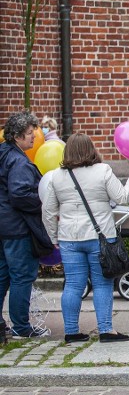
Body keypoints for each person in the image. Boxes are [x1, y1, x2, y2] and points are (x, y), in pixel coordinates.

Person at [42, 133, 129, 343]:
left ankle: (72, 332)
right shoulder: (103, 171)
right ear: (91, 149)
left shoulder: (56, 176)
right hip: (100, 238)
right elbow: (123, 198)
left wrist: (54, 237)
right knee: (102, 284)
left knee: (73, 285)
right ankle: (106, 330)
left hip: (69, 238)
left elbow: (48, 211)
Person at [0, 112, 53, 338]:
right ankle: (21, 327)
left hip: (4, 225)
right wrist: (44, 201)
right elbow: (20, 194)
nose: (34, 137)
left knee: (2, 275)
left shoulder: (3, 153)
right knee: (22, 276)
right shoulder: (19, 161)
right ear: (17, 136)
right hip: (17, 227)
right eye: (30, 134)